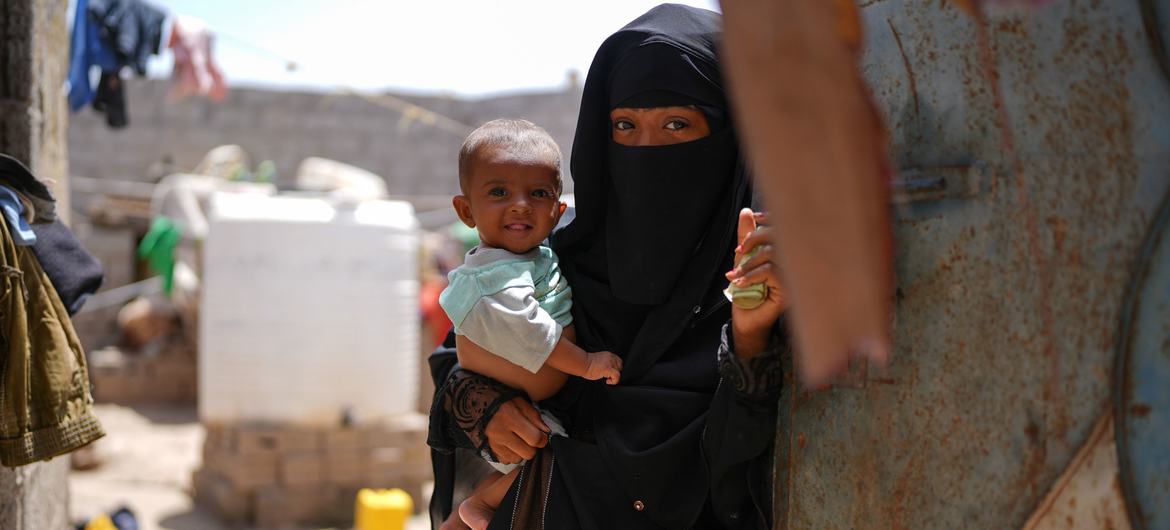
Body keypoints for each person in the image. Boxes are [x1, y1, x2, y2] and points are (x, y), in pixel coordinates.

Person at [426, 5, 787, 529]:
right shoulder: (553, 259)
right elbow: (456, 355)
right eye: (625, 125)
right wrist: (483, 404)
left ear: (731, 132)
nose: (647, 150)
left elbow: (759, 461)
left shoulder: (765, 273)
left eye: (677, 124)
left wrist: (749, 339)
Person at [439, 118, 624, 529]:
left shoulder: (533, 257)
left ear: (559, 211)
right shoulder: (493, 275)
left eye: (538, 193)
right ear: (466, 210)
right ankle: (479, 505)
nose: (521, 204)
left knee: (550, 457)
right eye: (499, 192)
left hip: (534, 405)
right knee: (546, 454)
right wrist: (588, 364)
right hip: (518, 408)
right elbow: (531, 332)